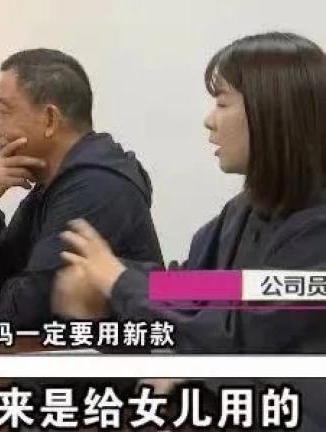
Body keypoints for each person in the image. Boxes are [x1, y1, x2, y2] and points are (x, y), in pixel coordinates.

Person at [54, 32, 326, 354]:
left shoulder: (317, 231)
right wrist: (110, 275)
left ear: (273, 111)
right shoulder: (243, 210)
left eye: (222, 103)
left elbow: (241, 337)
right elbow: (200, 287)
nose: (209, 120)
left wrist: (118, 282)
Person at [0, 48, 163, 329]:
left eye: (3, 111)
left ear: (50, 120)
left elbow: (30, 307)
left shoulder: (97, 186)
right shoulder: (50, 185)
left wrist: (17, 285)